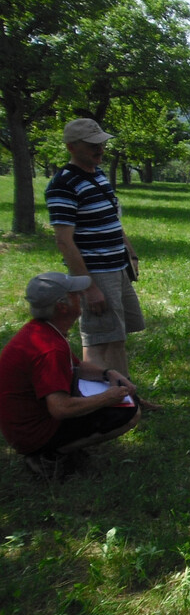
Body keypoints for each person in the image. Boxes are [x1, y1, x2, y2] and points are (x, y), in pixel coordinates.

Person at [46, 118, 156, 405]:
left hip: (116, 267)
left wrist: (129, 253)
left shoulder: (98, 174)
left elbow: (112, 220)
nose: (100, 149)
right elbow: (64, 241)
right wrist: (89, 286)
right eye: (92, 145)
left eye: (102, 143)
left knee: (116, 335)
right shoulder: (63, 185)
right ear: (71, 146)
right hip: (96, 272)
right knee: (100, 338)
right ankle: (112, 402)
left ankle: (124, 396)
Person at [0, 272, 141, 479]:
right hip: (32, 435)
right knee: (128, 412)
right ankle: (48, 455)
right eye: (75, 293)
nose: (82, 295)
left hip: (25, 426)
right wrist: (108, 397)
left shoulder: (42, 331)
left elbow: (75, 366)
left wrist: (107, 373)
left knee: (127, 402)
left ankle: (57, 446)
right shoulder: (50, 349)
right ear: (62, 306)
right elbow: (60, 408)